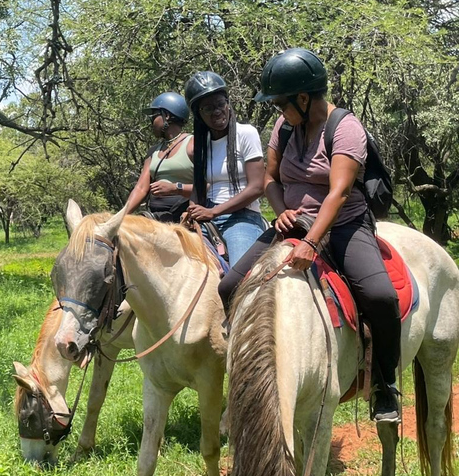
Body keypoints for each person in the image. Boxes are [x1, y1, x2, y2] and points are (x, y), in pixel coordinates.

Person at [217, 48, 401, 422]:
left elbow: (339, 192)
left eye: (281, 103)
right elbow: (269, 178)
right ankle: (250, 372)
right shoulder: (285, 127)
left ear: (303, 98)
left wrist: (312, 241)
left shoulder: (345, 128)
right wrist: (281, 208)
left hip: (343, 226)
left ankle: (385, 385)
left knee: (381, 297)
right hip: (293, 223)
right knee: (228, 286)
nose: (277, 112)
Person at [183, 71, 266, 265]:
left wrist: (214, 212)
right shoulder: (203, 145)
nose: (217, 111)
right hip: (208, 218)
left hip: (242, 218)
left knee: (238, 276)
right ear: (199, 115)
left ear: (228, 104)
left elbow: (257, 187)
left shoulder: (246, 133)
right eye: (208, 108)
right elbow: (199, 189)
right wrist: (192, 210)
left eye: (220, 104)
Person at [125, 92, 194, 223]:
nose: (151, 122)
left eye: (154, 116)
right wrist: (120, 217)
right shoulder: (153, 151)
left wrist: (175, 188)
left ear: (166, 116)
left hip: (184, 216)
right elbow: (140, 188)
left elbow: (208, 187)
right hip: (155, 217)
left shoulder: (192, 144)